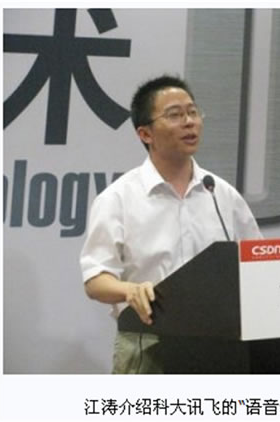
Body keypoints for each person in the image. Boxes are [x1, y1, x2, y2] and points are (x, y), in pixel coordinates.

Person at [80, 75, 262, 373]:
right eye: (175, 115)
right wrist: (130, 290)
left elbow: (258, 262)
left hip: (219, 343)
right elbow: (95, 280)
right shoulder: (118, 198)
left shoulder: (221, 194)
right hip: (148, 342)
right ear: (145, 134)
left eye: (193, 112)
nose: (189, 122)